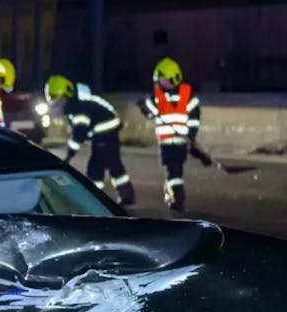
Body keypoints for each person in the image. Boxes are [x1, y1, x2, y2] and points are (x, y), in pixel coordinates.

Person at [45, 75, 135, 206]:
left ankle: (97, 199)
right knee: (112, 164)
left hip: (105, 131)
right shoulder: (75, 102)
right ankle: (125, 196)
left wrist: (69, 155)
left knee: (97, 166)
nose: (54, 102)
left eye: (56, 98)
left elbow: (79, 134)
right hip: (105, 131)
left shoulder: (78, 106)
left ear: (65, 95)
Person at [139, 57, 201, 212]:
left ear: (175, 78)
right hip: (167, 142)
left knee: (174, 170)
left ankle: (175, 196)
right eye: (159, 80)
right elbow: (150, 111)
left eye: (163, 80)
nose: (160, 83)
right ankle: (174, 195)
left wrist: (191, 136)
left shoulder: (186, 95)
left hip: (180, 142)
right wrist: (144, 107)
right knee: (172, 170)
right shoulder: (159, 95)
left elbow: (194, 118)